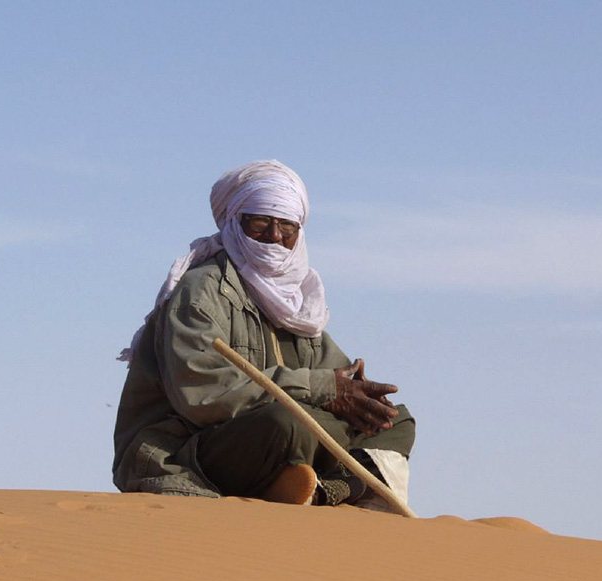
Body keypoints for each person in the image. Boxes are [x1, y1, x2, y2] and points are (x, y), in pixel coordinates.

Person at [113, 160, 415, 510]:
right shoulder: (201, 291)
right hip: (190, 448)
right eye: (260, 223)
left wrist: (357, 393)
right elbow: (203, 396)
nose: (274, 236)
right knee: (287, 423)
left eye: (287, 226)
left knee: (393, 420)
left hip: (277, 438)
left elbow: (335, 380)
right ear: (234, 223)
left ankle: (325, 490)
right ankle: (331, 486)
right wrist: (320, 388)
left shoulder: (296, 301)